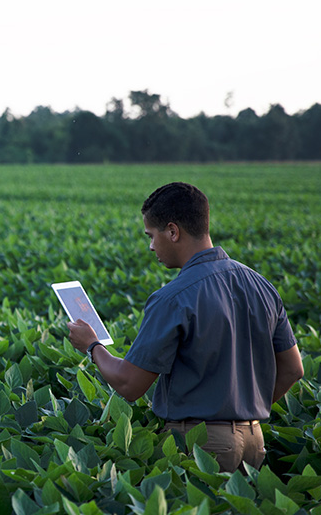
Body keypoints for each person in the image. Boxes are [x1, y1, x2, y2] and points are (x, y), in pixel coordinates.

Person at [67, 182, 304, 472]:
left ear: (173, 231)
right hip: (254, 440)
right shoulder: (261, 285)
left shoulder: (174, 297)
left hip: (200, 443)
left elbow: (130, 384)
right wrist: (242, 412)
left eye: (152, 236)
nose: (151, 246)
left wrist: (92, 346)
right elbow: (293, 369)